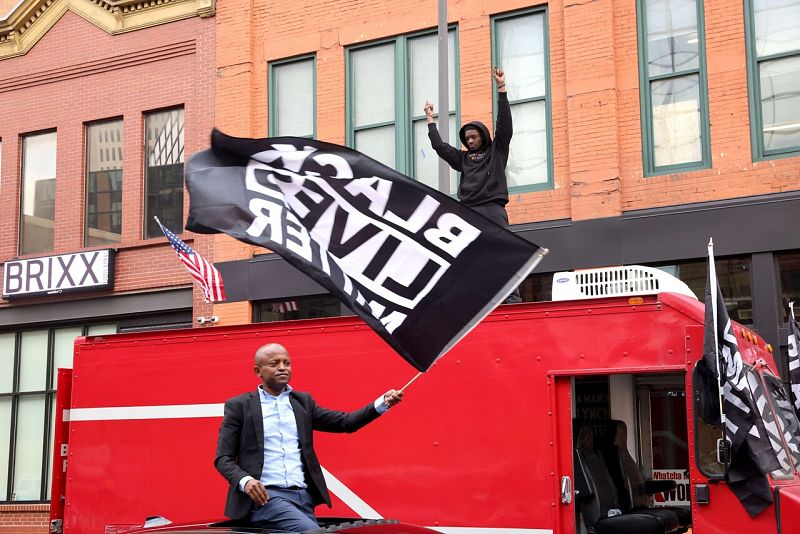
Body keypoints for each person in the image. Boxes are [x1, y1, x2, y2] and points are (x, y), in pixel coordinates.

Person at [214, 343, 403, 532]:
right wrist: (245, 481)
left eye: (287, 363)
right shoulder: (239, 406)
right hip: (265, 498)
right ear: (258, 371)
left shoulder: (302, 402)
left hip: (304, 498)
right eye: (274, 363)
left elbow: (346, 422)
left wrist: (383, 403)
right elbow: (223, 458)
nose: (282, 367)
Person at [424, 66, 522, 304]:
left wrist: (501, 89)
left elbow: (505, 125)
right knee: (469, 255)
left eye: (473, 136)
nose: (469, 140)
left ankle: (512, 297)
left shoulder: (496, 152)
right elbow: (440, 147)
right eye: (466, 138)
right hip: (468, 211)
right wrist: (430, 120)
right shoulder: (463, 159)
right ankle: (474, 300)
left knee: (501, 251)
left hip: (492, 209)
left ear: (483, 136)